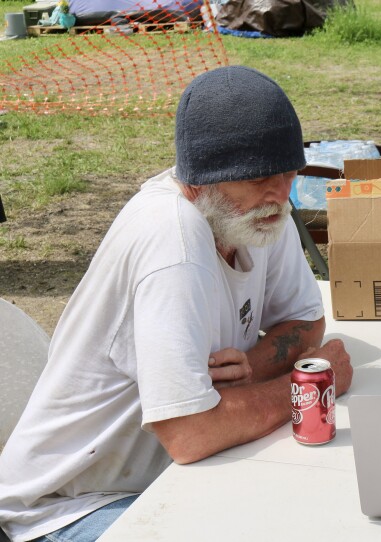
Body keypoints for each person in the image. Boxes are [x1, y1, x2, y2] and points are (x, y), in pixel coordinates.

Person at [0, 65, 353, 542]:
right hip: (70, 507)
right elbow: (191, 435)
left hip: (164, 479)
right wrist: (307, 387)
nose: (281, 193)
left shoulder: (261, 211)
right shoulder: (174, 239)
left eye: (289, 171)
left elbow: (308, 321)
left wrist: (251, 366)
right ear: (203, 180)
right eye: (261, 178)